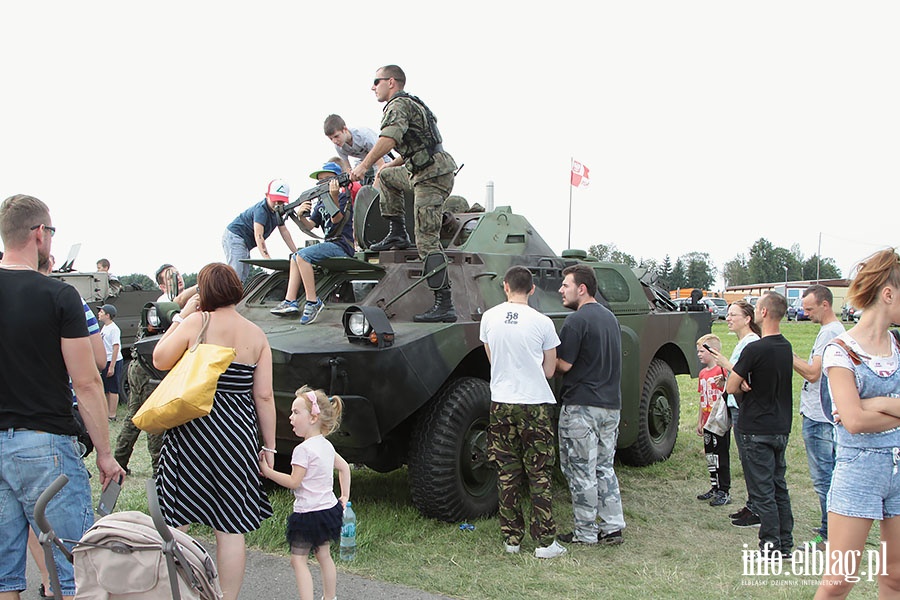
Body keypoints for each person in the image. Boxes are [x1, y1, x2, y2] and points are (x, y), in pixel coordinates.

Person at [1, 194, 125, 600]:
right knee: (77, 571)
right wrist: (105, 454)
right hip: (46, 444)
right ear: (39, 234)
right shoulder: (59, 296)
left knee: (5, 578)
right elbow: (88, 381)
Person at [152, 262, 276, 600]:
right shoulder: (257, 334)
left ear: (205, 291)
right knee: (231, 525)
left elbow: (160, 359)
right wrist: (270, 447)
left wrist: (181, 316)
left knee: (178, 517)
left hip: (193, 430)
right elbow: (263, 396)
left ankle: (177, 592)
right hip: (237, 435)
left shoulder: (197, 322)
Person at [814, 249, 900, 597]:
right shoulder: (841, 350)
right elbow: (852, 420)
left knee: (895, 576)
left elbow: (863, 413)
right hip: (857, 471)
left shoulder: (898, 345)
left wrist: (877, 403)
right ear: (889, 294)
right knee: (839, 581)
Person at [350, 65, 459, 323]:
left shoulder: (397, 105)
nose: (373, 87)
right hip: (422, 173)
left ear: (391, 82)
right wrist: (390, 165)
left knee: (427, 242)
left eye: (376, 81)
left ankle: (445, 304)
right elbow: (420, 142)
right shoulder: (411, 104)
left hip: (431, 177)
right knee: (386, 176)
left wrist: (364, 165)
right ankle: (397, 233)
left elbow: (388, 138)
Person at [479, 266, 565, 558]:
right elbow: (550, 370)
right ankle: (544, 543)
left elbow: (493, 359)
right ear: (532, 289)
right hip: (534, 402)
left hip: (501, 402)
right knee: (539, 472)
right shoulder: (543, 322)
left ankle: (511, 540)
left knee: (507, 472)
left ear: (505, 286)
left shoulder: (489, 317)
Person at [555, 264, 626, 546]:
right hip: (611, 407)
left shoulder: (576, 321)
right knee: (604, 467)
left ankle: (585, 532)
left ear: (581, 289)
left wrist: (542, 355)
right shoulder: (610, 319)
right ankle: (612, 527)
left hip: (582, 408)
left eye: (566, 285)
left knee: (580, 469)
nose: (561, 290)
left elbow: (564, 364)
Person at [259, 386, 351, 600]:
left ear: (312, 418)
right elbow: (345, 468)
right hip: (329, 511)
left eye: (296, 412)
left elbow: (293, 482)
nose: (290, 417)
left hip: (307, 514)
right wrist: (344, 496)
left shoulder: (302, 450)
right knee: (324, 556)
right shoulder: (326, 446)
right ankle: (330, 597)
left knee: (298, 561)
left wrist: (267, 471)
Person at [725, 291, 794, 560]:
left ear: (763, 313)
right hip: (781, 425)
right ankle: (785, 544)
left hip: (756, 428)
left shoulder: (755, 348)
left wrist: (740, 384)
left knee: (762, 491)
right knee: (779, 487)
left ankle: (770, 547)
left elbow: (731, 385)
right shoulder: (786, 346)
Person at [114, 263, 197, 475]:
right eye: (170, 278)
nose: (178, 279)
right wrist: (201, 286)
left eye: (178, 275)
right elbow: (176, 303)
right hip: (146, 370)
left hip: (150, 367)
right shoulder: (164, 303)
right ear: (161, 286)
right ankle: (156, 470)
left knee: (137, 416)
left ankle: (120, 461)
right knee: (150, 418)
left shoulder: (182, 303)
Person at [270, 162, 356, 324]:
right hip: (330, 244)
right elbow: (310, 225)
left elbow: (336, 219)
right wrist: (301, 215)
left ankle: (313, 301)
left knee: (302, 256)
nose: (324, 183)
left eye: (327, 179)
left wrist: (335, 196)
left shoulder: (343, 197)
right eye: (321, 181)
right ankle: (290, 301)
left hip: (342, 246)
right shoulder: (321, 204)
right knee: (295, 256)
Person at [792, 284, 844, 551]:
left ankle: (829, 536)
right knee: (828, 474)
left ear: (826, 305)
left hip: (819, 417)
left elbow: (813, 374)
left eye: (809, 309)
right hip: (819, 414)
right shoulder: (830, 331)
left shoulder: (831, 333)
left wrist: (787, 354)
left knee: (824, 477)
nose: (805, 313)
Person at [709, 299, 762, 527]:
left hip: (744, 407)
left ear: (747, 319)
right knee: (744, 457)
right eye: (728, 314)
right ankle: (752, 505)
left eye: (733, 315)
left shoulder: (751, 342)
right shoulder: (744, 342)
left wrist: (726, 365)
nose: (728, 318)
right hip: (736, 404)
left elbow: (748, 377)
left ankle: (757, 507)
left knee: (750, 459)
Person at [223, 178, 299, 282]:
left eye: (281, 201)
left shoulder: (277, 213)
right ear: (267, 195)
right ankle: (229, 295)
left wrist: (296, 252)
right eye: (274, 199)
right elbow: (259, 236)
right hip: (236, 236)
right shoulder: (261, 210)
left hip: (245, 242)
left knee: (243, 274)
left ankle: (237, 293)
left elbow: (284, 232)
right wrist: (267, 258)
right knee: (236, 273)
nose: (277, 203)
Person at [695, 334, 731, 507]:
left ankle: (724, 489)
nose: (699, 354)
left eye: (702, 351)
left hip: (719, 421)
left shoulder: (721, 371)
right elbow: (702, 398)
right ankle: (714, 486)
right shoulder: (702, 374)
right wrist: (700, 421)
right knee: (710, 455)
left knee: (721, 454)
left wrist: (724, 382)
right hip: (707, 420)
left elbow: (728, 391)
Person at [324, 114, 392, 184]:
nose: (334, 141)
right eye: (331, 139)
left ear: (345, 129)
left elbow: (380, 163)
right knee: (357, 176)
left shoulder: (364, 136)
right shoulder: (339, 147)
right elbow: (348, 170)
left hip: (382, 158)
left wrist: (376, 188)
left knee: (383, 180)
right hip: (363, 162)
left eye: (336, 136)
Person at [98, 304, 122, 420]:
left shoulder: (114, 329)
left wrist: (112, 366)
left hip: (114, 361)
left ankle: (112, 414)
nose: (99, 314)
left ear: (108, 315)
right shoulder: (105, 327)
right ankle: (107, 413)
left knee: (113, 389)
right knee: (106, 388)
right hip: (105, 360)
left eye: (101, 312)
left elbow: (116, 347)